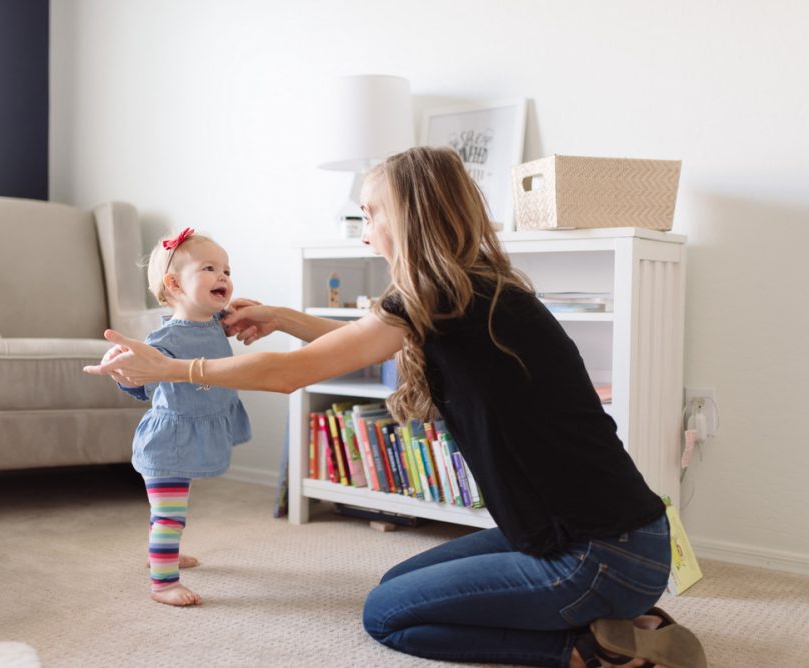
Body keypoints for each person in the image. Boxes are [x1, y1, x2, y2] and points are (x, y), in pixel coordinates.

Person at [84, 147, 706, 666]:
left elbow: (288, 375)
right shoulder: (473, 287)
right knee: (395, 587)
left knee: (388, 617)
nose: (365, 229)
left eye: (371, 212)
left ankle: (589, 649)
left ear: (409, 216)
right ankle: (622, 613)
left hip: (598, 553)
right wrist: (279, 317)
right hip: (613, 540)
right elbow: (354, 340)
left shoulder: (437, 296)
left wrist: (172, 367)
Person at [96, 227, 250, 607]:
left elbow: (236, 318)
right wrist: (122, 371)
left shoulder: (216, 323)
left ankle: (164, 551)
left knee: (171, 510)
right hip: (169, 441)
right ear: (175, 285)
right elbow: (140, 384)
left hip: (192, 435)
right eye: (210, 269)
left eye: (227, 270)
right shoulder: (163, 340)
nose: (224, 277)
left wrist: (245, 311)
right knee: (169, 515)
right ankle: (163, 582)